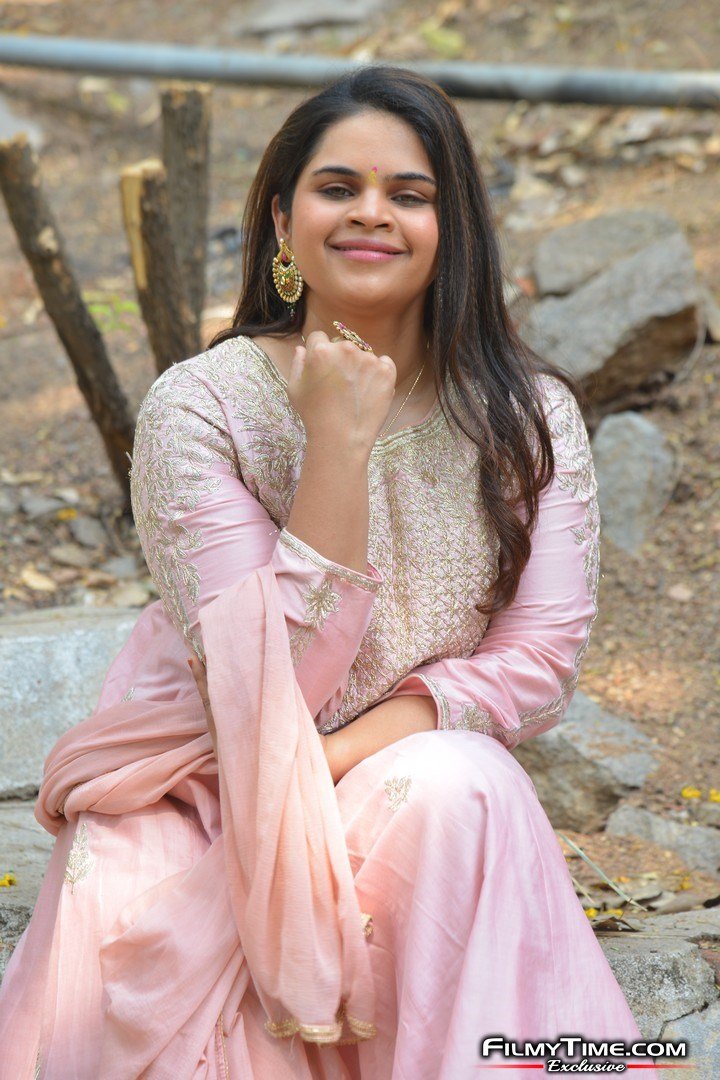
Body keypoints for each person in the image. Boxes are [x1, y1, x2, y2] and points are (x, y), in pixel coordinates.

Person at [0, 65, 660, 1080]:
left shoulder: (528, 417)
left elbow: (540, 657)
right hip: (207, 784)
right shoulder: (200, 409)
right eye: (338, 187)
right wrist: (335, 446)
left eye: (410, 194)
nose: (371, 214)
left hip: (394, 775)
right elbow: (272, 687)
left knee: (464, 782)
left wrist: (340, 756)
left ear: (453, 227)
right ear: (282, 219)